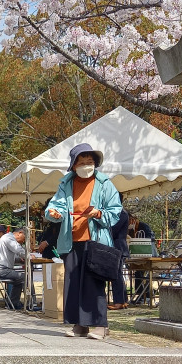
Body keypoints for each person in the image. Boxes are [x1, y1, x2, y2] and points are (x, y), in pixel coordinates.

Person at [45, 142, 122, 340]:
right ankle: (79, 325)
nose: (86, 165)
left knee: (94, 283)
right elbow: (56, 206)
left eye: (90, 161)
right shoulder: (66, 184)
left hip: (96, 241)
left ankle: (100, 325)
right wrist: (54, 213)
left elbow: (115, 211)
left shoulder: (105, 183)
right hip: (71, 241)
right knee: (73, 283)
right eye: (82, 162)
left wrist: (98, 213)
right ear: (73, 165)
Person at [0, 227, 28, 309]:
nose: (23, 241)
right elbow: (19, 250)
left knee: (19, 280)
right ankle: (31, 303)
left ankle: (13, 303)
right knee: (25, 277)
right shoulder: (9, 238)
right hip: (1, 269)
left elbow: (9, 258)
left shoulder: (7, 238)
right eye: (24, 238)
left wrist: (20, 259)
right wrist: (29, 256)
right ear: (20, 233)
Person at [108, 197, 130, 310]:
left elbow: (113, 229)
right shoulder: (118, 212)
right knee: (117, 274)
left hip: (118, 246)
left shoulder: (121, 213)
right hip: (116, 246)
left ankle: (119, 301)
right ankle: (123, 300)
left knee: (116, 274)